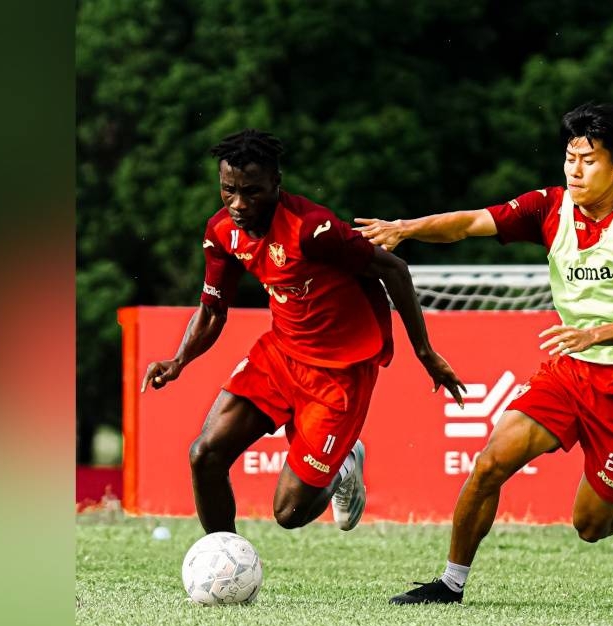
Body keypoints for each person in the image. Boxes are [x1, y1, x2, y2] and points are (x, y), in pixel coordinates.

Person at [356, 102, 613, 605]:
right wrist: (406, 227)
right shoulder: (549, 207)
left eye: (589, 160)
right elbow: (469, 223)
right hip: (569, 372)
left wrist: (592, 335)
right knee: (491, 463)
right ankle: (450, 583)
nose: (575, 170)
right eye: (570, 157)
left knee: (591, 525)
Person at [142, 129, 465, 536]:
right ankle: (221, 557)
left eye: (252, 192)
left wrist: (425, 353)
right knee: (204, 454)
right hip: (280, 354)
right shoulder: (222, 231)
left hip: (340, 371)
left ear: (277, 185)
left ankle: (346, 462)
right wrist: (179, 360)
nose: (238, 204)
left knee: (289, 513)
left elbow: (393, 269)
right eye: (228, 190)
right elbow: (212, 309)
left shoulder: (312, 229)